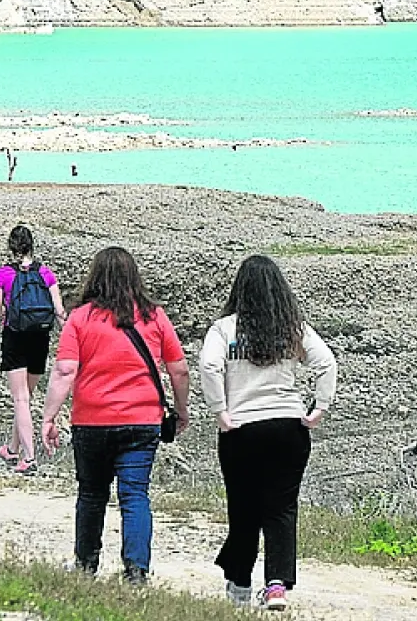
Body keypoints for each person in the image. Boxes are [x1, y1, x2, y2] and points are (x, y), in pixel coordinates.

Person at [41, 246, 189, 584]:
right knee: (135, 494)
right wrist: (181, 411)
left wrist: (49, 416)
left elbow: (65, 371)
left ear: (95, 277)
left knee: (92, 494)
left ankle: (85, 564)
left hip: (91, 422)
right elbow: (178, 370)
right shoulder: (154, 316)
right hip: (141, 422)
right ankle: (136, 571)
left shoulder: (80, 318)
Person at [200, 254, 337, 612]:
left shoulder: (224, 329)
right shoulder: (293, 328)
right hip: (288, 428)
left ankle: (240, 585)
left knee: (243, 508)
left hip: (242, 428)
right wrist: (318, 408)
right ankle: (276, 585)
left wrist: (220, 412)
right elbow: (326, 363)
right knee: (281, 509)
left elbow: (209, 365)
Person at [0, 224, 65, 474]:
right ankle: (12, 449)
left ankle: (29, 458)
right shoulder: (46, 274)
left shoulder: (2, 275)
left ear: (11, 248)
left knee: (20, 399)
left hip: (16, 337)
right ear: (32, 245)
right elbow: (59, 310)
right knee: (26, 398)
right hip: (40, 338)